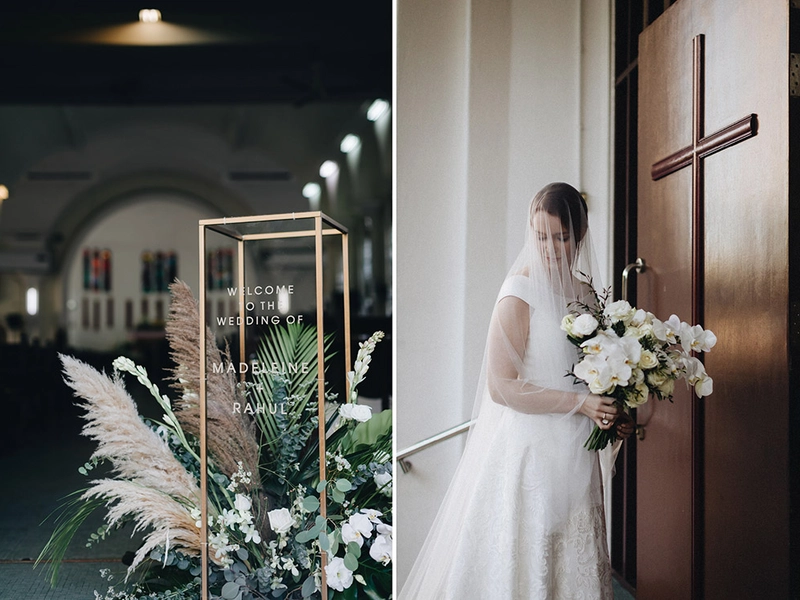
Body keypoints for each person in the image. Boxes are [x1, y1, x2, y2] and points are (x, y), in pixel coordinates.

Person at [400, 182, 633, 599]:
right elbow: (501, 386)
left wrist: (611, 413)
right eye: (541, 236)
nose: (550, 248)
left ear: (580, 235)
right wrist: (581, 403)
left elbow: (597, 372)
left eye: (561, 237)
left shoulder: (587, 296)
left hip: (578, 451)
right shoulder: (518, 292)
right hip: (530, 453)